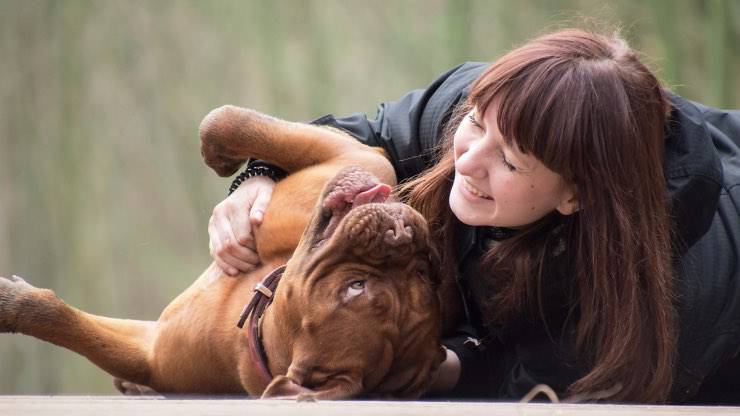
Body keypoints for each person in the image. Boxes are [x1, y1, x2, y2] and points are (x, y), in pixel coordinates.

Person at [207, 29, 740, 403]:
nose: (467, 158)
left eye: (508, 160)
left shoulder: (639, 306)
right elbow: (371, 136)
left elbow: (523, 379)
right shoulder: (493, 104)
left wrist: (435, 365)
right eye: (476, 123)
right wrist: (259, 176)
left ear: (576, 196)